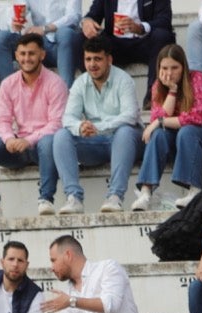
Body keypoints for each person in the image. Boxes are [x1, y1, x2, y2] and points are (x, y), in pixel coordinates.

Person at [0, 38, 66, 218]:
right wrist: (9, 138)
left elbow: (57, 123)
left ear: (42, 55)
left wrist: (28, 140)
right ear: (16, 56)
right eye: (23, 54)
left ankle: (46, 199)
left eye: (32, 53)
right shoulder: (8, 83)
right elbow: (1, 119)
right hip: (18, 147)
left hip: (44, 146)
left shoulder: (56, 83)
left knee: (50, 141)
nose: (27, 58)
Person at [51, 38, 139, 215]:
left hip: (123, 141)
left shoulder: (124, 80)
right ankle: (73, 198)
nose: (92, 64)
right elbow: (68, 118)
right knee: (61, 135)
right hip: (95, 143)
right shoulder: (80, 83)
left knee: (125, 131)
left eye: (97, 59)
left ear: (109, 60)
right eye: (88, 59)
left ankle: (115, 197)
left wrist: (100, 127)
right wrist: (80, 126)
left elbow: (130, 116)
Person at [131, 43, 202, 212]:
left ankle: (194, 189)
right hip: (182, 140)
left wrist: (161, 122)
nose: (169, 73)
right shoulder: (158, 85)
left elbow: (198, 117)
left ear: (183, 67)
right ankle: (145, 192)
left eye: (175, 68)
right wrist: (172, 91)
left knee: (187, 130)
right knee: (159, 136)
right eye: (164, 68)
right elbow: (159, 116)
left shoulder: (198, 79)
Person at [0, 0, 81, 86]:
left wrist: (45, 29)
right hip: (37, 44)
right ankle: (9, 93)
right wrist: (15, 22)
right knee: (0, 38)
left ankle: (65, 92)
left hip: (61, 48)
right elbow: (21, 8)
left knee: (65, 33)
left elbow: (73, 16)